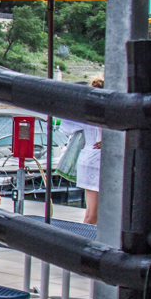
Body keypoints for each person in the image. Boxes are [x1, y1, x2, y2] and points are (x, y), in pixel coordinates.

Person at [61, 75, 105, 224]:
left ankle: (92, 241)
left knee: (93, 212)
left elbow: (66, 126)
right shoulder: (105, 112)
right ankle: (87, 243)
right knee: (94, 214)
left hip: (89, 157)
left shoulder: (86, 111)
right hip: (97, 159)